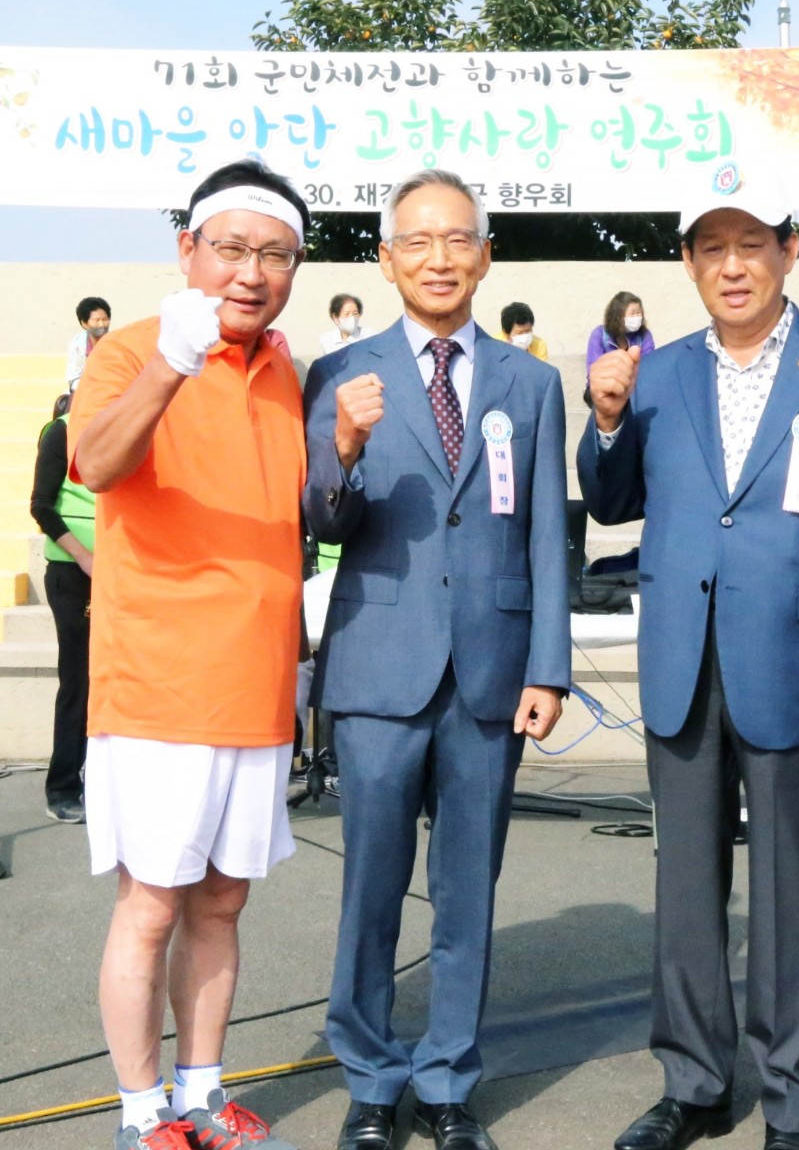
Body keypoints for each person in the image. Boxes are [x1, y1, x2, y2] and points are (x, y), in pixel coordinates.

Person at [577, 165, 799, 1150]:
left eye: (751, 244)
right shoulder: (656, 373)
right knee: (684, 886)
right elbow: (611, 503)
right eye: (711, 248)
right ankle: (691, 1083)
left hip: (798, 661)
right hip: (681, 660)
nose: (732, 266)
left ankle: (789, 1098)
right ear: (687, 263)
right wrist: (605, 421)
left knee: (788, 889)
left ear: (787, 252)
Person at [304, 168, 570, 1150]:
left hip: (491, 670)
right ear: (385, 259)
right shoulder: (339, 372)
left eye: (458, 238)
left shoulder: (530, 383)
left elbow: (547, 535)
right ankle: (372, 1081)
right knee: (371, 887)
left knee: (467, 890)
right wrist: (341, 444)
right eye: (416, 241)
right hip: (379, 666)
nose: (438, 258)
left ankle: (449, 1077)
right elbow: (320, 520)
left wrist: (547, 666)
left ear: (485, 254)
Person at [69, 159, 308, 1150]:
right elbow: (99, 462)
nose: (251, 272)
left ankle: (202, 1093)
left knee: (221, 901)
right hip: (160, 685)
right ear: (187, 250)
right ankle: (141, 1113)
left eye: (276, 254)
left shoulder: (287, 370)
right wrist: (171, 363)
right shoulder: (131, 350)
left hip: (256, 685)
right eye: (232, 248)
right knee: (152, 905)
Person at [29, 391, 94, 824]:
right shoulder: (61, 432)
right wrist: (86, 558)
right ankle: (63, 788)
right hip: (74, 575)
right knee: (78, 681)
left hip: (124, 574)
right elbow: (42, 506)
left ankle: (105, 782)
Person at [585, 292, 654, 391]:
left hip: (634, 386)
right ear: (618, 316)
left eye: (638, 313)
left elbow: (648, 365)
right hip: (603, 386)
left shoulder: (644, 335)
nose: (636, 317)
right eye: (632, 313)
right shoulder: (599, 334)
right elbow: (593, 369)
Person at [66, 296, 111, 389]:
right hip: (86, 390)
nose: (101, 324)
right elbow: (73, 378)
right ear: (84, 323)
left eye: (105, 319)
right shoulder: (76, 345)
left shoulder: (116, 342)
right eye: (96, 320)